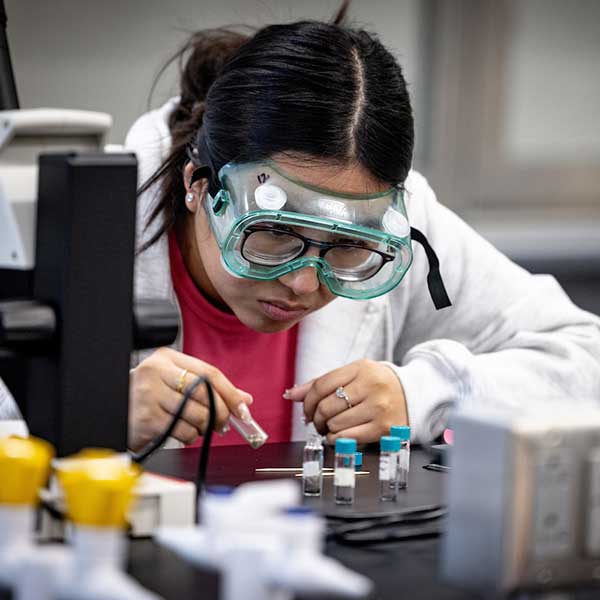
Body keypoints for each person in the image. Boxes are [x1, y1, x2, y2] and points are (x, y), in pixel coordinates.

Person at [1, 6, 599, 451]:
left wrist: (425, 393)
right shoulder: (70, 225)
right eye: (274, 235)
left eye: (348, 250)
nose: (306, 286)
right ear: (198, 186)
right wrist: (86, 412)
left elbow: (587, 359)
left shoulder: (394, 215)